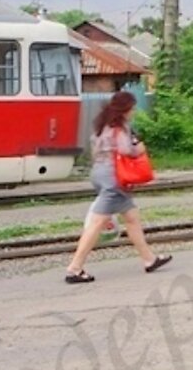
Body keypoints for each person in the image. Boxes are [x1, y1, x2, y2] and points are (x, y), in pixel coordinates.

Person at [64, 91, 171, 283]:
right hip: (114, 179)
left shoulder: (102, 126)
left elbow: (95, 148)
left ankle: (149, 259)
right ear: (125, 109)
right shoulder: (120, 129)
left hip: (99, 173)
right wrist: (139, 149)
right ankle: (75, 268)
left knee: (131, 217)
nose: (134, 112)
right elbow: (125, 150)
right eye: (133, 108)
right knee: (96, 223)